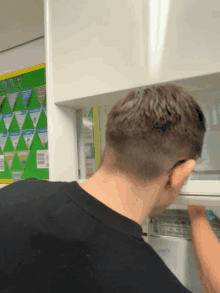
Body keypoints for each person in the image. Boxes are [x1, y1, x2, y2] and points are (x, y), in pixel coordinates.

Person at [0, 84, 218, 292]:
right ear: (180, 174)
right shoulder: (151, 283)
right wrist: (198, 215)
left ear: (110, 144)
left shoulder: (15, 195)